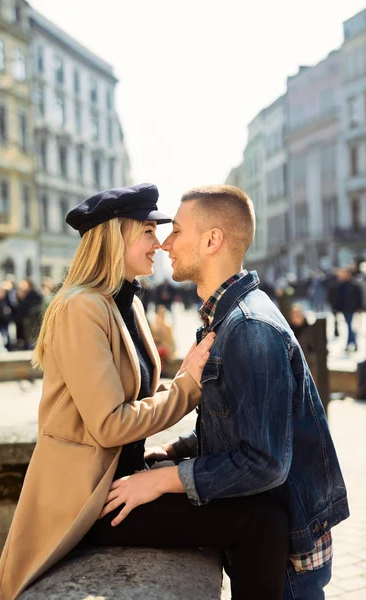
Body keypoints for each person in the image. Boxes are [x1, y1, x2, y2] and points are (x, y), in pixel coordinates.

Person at [100, 185, 349, 600]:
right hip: (271, 532)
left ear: (213, 240)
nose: (165, 243)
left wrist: (165, 481)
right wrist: (179, 450)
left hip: (287, 548)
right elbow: (236, 423)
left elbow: (265, 461)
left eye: (177, 231)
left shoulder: (249, 327)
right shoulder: (227, 316)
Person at [0, 183, 216, 600]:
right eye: (148, 231)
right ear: (117, 236)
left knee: (252, 512)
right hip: (87, 500)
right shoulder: (82, 307)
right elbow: (110, 425)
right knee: (252, 520)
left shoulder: (127, 302)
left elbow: (136, 394)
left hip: (120, 480)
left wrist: (181, 380)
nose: (159, 244)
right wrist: (188, 388)